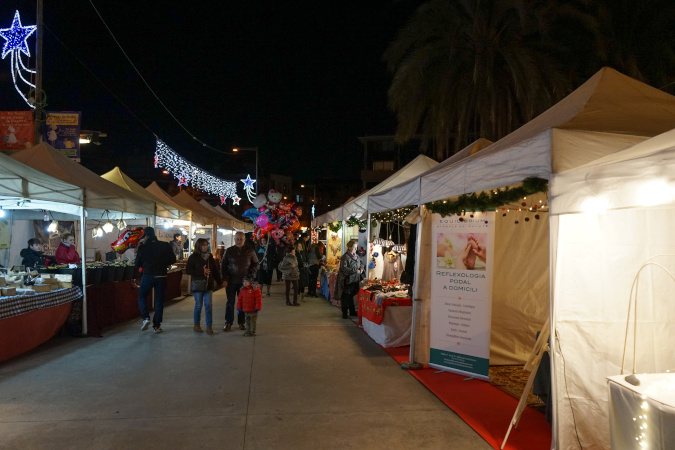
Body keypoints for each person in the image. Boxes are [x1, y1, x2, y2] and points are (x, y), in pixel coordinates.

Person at [135, 227, 176, 333]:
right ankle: (157, 326)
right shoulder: (165, 245)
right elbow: (173, 259)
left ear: (146, 236)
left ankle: (145, 318)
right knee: (159, 301)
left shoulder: (142, 247)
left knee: (142, 296)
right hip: (161, 276)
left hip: (148, 275)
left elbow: (137, 264)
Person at [220, 231, 259, 331]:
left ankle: (242, 322)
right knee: (230, 302)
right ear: (234, 239)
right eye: (237, 239)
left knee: (243, 302)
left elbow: (256, 264)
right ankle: (228, 322)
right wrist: (224, 279)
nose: (239, 241)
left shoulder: (250, 250)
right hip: (231, 281)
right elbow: (223, 266)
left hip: (244, 282)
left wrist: (250, 277)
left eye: (241, 239)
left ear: (244, 240)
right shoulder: (228, 251)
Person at [185, 238, 221, 335]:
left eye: (206, 245)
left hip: (208, 284)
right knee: (198, 305)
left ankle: (209, 326)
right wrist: (202, 271)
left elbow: (215, 270)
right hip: (197, 284)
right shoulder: (193, 257)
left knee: (208, 305)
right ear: (199, 246)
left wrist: (220, 281)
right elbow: (188, 270)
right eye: (204, 245)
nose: (206, 246)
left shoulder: (210, 257)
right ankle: (197, 324)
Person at [335, 239, 364, 319]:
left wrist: (361, 269)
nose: (355, 249)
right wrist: (355, 270)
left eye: (356, 247)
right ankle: (344, 313)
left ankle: (352, 311)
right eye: (354, 247)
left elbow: (361, 264)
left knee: (351, 295)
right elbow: (344, 268)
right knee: (346, 296)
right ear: (350, 247)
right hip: (347, 280)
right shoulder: (345, 257)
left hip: (355, 279)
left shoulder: (357, 256)